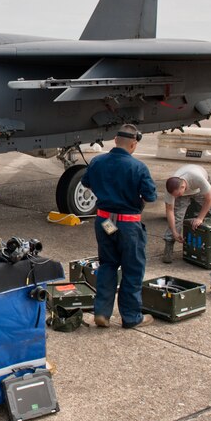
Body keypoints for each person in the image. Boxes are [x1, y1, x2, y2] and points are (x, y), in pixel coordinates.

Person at [80, 124, 158, 329]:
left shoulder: (97, 162)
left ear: (115, 140)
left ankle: (102, 313)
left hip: (105, 221)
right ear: (133, 144)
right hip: (128, 225)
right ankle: (131, 317)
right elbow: (150, 196)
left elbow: (86, 182)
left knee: (108, 265)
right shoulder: (138, 167)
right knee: (132, 270)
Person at [162, 164, 211, 263]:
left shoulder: (198, 178)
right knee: (177, 217)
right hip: (186, 190)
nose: (176, 197)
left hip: (198, 188)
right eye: (174, 196)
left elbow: (208, 199)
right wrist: (174, 232)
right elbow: (169, 210)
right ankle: (168, 249)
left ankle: (199, 212)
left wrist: (200, 218)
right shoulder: (171, 189)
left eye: (178, 195)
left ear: (183, 187)